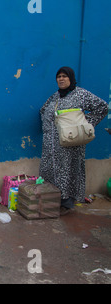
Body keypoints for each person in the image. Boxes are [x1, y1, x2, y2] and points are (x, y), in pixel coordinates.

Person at [39, 66, 108, 215]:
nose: (61, 79)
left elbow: (102, 107)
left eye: (64, 76)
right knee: (50, 171)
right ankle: (53, 200)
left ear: (71, 78)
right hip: (52, 145)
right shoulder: (55, 96)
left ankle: (66, 203)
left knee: (68, 170)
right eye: (59, 76)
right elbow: (43, 110)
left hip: (71, 144)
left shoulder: (80, 94)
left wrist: (84, 124)